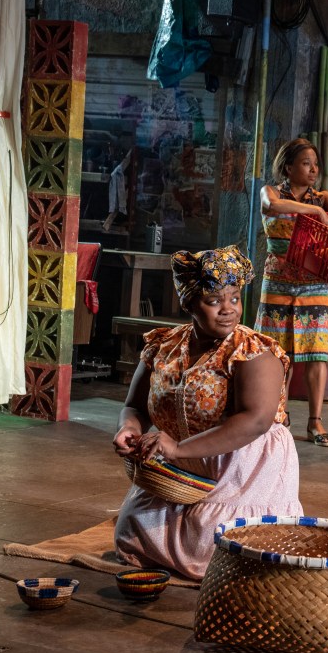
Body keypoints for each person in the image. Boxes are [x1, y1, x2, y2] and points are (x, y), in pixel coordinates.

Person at [112, 245, 301, 581]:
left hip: (242, 464)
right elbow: (135, 406)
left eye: (234, 299)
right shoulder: (164, 345)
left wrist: (177, 448)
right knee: (132, 534)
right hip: (184, 463)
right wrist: (129, 428)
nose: (228, 309)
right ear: (189, 304)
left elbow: (256, 421)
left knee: (213, 550)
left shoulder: (252, 351)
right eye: (214, 301)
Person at [255, 138, 328, 447]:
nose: (313, 170)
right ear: (288, 167)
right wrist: (312, 210)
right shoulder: (270, 192)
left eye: (316, 164)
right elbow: (272, 207)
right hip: (278, 282)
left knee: (317, 353)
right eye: (306, 163)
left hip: (314, 284)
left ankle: (315, 421)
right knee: (278, 355)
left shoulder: (324, 198)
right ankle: (278, 414)